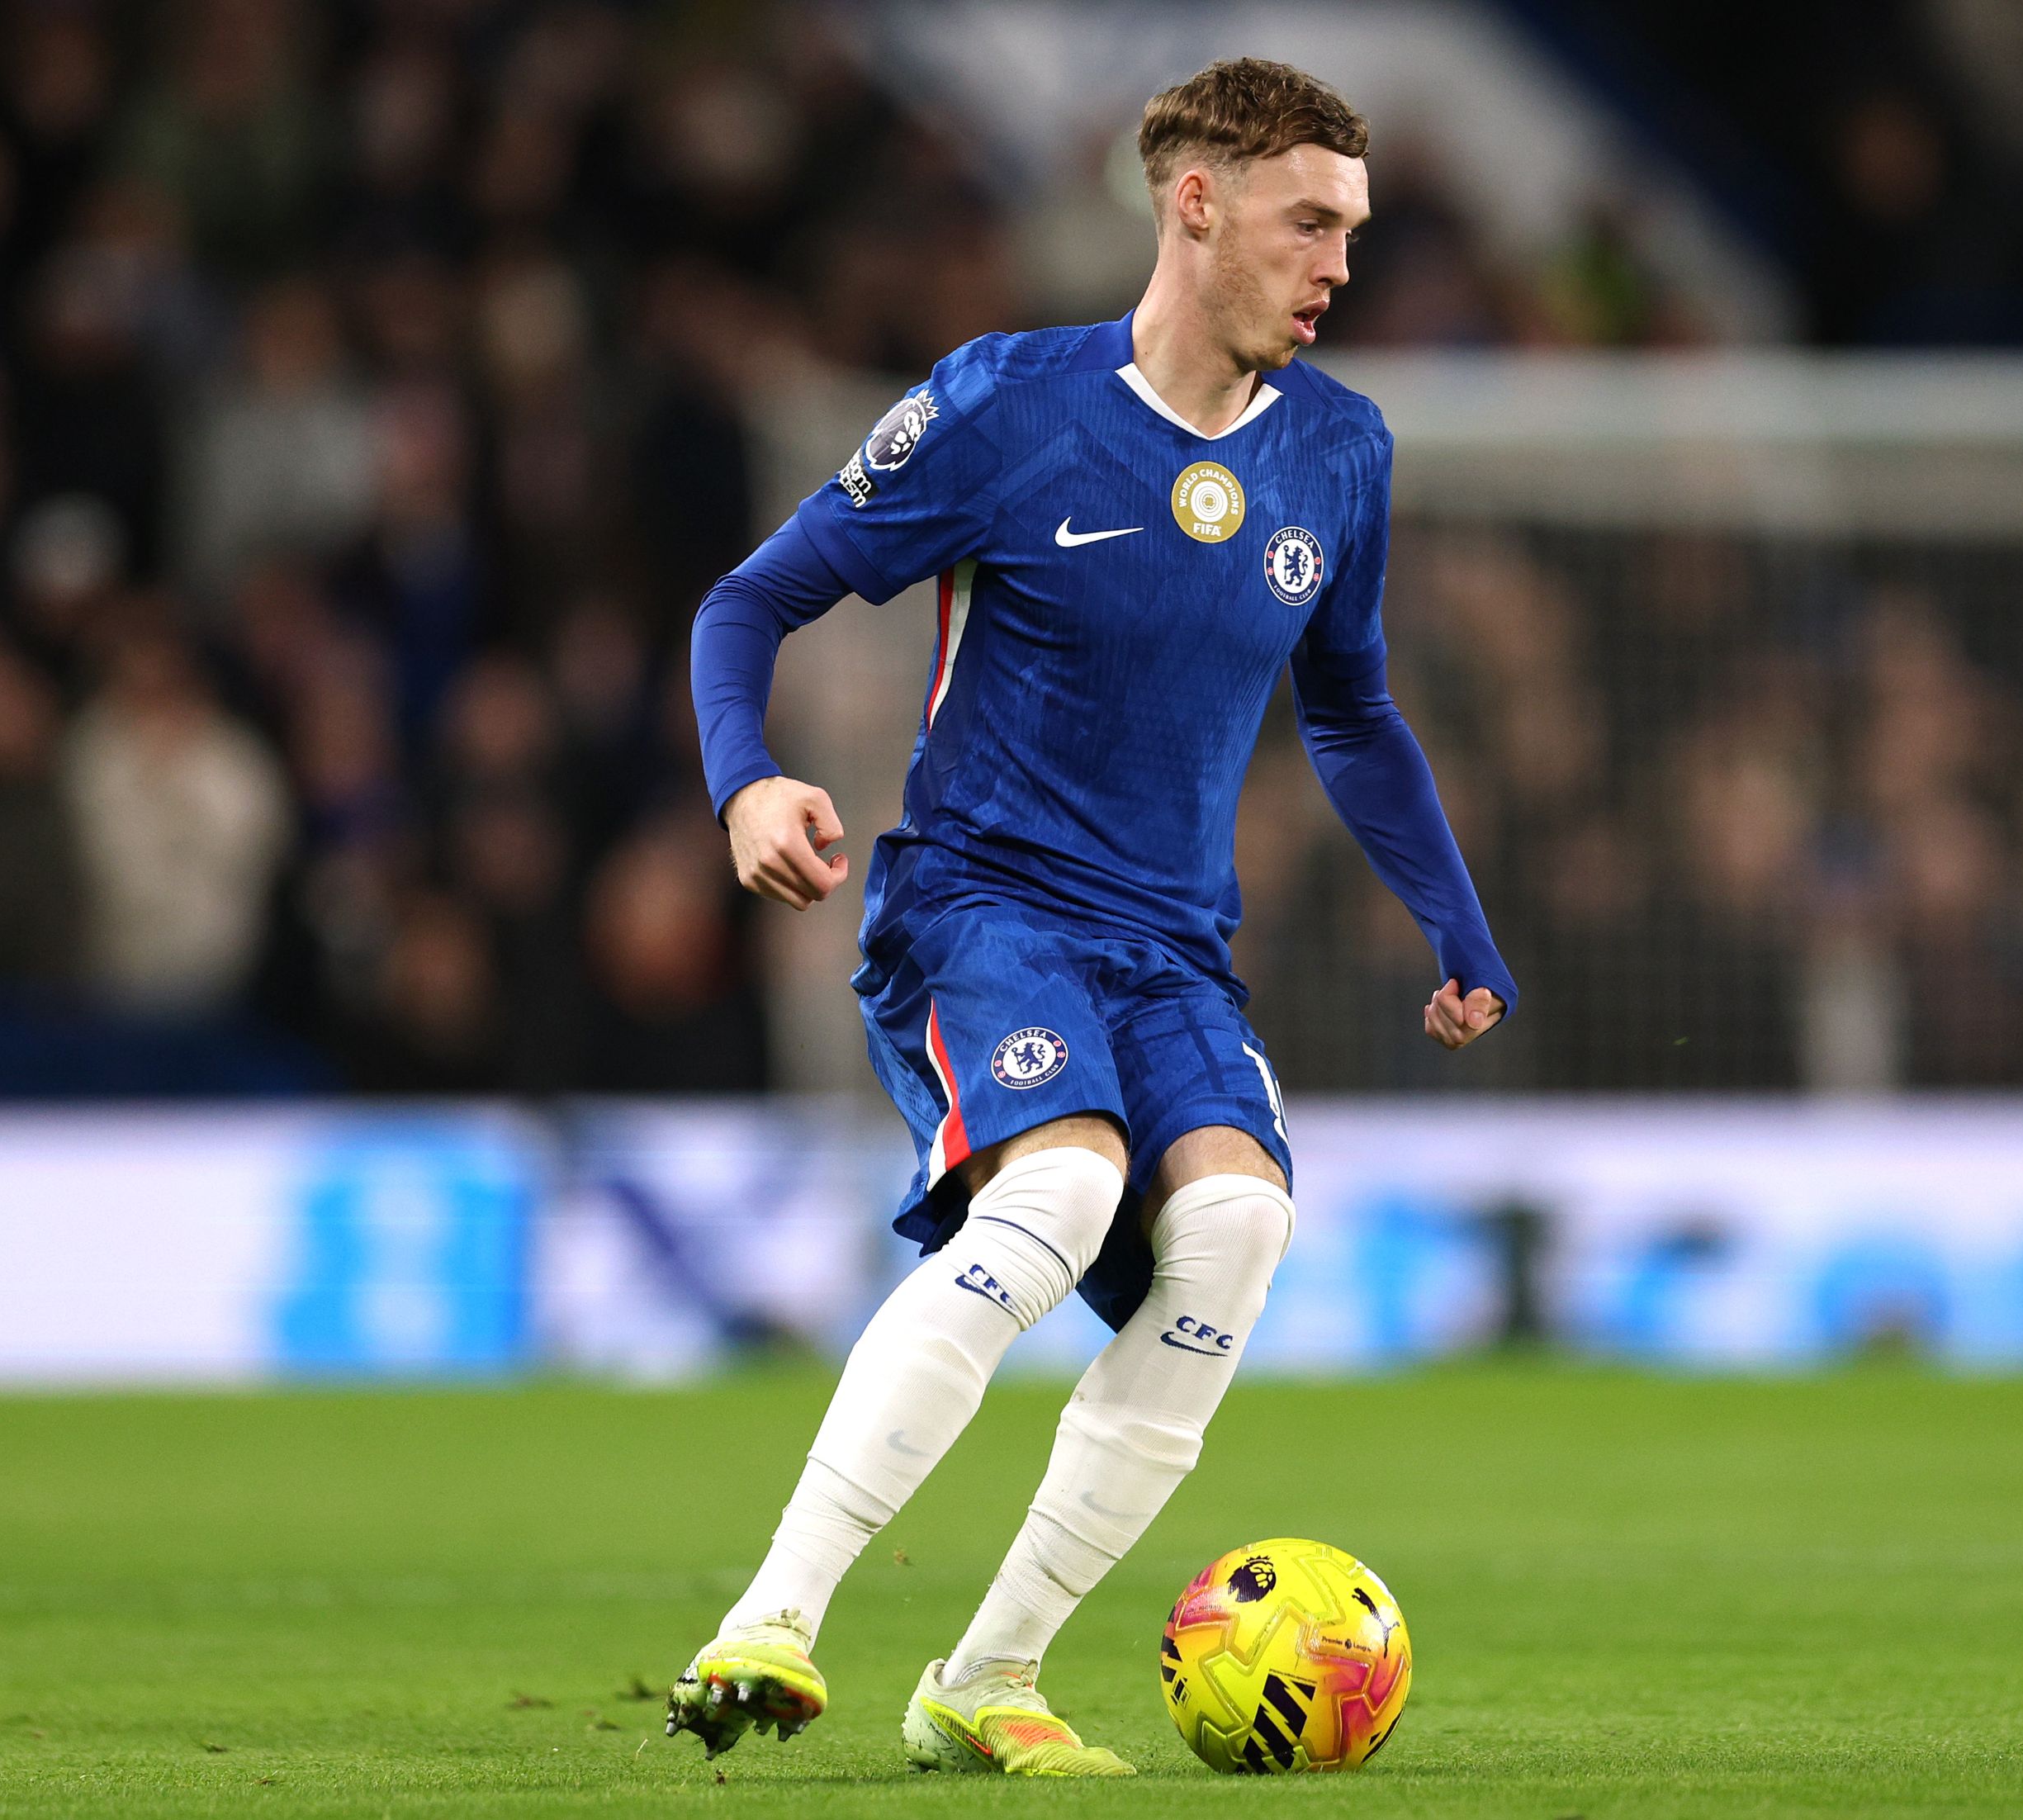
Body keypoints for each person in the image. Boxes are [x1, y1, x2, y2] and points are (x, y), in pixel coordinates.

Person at [669, 59, 1513, 1776]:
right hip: (982, 904)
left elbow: (1351, 712)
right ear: (1196, 205)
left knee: (1240, 1230)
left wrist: (1457, 924)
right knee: (1060, 1187)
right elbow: (748, 603)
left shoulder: (1339, 450)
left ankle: (985, 1677)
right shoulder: (1007, 406)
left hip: (1171, 949)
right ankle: (769, 1616)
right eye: (1308, 223)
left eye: (1351, 229)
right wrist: (747, 780)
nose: (1339, 265)